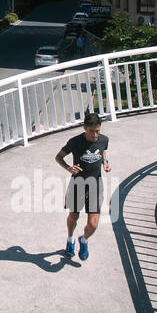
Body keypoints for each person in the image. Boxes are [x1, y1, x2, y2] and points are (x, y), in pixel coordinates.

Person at [55, 111, 110, 260]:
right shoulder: (75, 142)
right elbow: (58, 157)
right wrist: (68, 168)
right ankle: (70, 239)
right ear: (85, 128)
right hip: (78, 183)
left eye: (97, 131)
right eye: (91, 131)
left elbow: (103, 151)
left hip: (95, 184)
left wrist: (105, 162)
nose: (95, 135)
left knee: (93, 224)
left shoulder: (104, 140)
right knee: (73, 215)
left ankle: (83, 240)